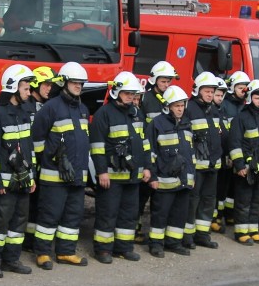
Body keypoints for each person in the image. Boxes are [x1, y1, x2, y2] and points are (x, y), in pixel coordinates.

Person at [31, 61, 91, 269]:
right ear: (64, 83)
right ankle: (43, 253)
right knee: (49, 215)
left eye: (81, 83)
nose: (78, 86)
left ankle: (66, 252)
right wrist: (52, 157)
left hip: (77, 175)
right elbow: (37, 140)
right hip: (53, 176)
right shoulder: (50, 108)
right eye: (75, 82)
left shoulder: (83, 108)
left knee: (72, 216)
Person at [0, 64, 36, 278]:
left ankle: (11, 259)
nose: (29, 93)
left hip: (22, 180)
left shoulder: (24, 114)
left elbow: (28, 149)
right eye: (25, 88)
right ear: (13, 88)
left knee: (19, 221)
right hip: (4, 182)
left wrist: (31, 177)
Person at [90, 71, 150, 263]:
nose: (131, 97)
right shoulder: (103, 114)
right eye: (127, 94)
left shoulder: (137, 113)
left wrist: (147, 167)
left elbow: (144, 143)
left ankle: (124, 247)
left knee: (129, 214)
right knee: (108, 213)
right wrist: (101, 172)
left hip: (133, 175)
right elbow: (97, 147)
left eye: (133, 94)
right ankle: (103, 250)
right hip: (112, 175)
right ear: (116, 92)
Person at [145, 85, 195, 258]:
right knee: (160, 214)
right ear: (168, 106)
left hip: (183, 180)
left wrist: (191, 176)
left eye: (182, 105)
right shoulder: (156, 124)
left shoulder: (187, 124)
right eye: (176, 106)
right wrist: (152, 176)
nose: (180, 109)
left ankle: (174, 242)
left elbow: (190, 153)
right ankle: (156, 244)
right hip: (163, 180)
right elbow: (149, 152)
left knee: (179, 214)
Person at [227, 79, 259, 245]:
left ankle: (253, 230)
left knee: (257, 201)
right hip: (246, 167)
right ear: (250, 97)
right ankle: (241, 232)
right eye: (257, 98)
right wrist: (239, 165)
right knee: (244, 201)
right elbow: (234, 143)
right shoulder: (241, 117)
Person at [184, 71, 223, 250]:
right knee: (192, 201)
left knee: (208, 201)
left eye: (212, 92)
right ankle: (187, 236)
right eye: (207, 91)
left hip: (212, 165)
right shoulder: (189, 108)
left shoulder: (214, 109)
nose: (210, 94)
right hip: (196, 166)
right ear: (198, 91)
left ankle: (202, 235)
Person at [23, 66, 58, 252]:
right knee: (26, 204)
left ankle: (32, 240)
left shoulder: (48, 106)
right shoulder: (25, 106)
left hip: (44, 162)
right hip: (27, 162)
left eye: (50, 85)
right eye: (45, 84)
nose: (49, 89)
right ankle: (25, 241)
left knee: (39, 204)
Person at [210, 77, 233, 232]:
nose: (219, 98)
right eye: (217, 95)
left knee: (221, 190)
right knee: (212, 190)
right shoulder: (209, 112)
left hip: (224, 158)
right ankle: (212, 217)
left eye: (221, 95)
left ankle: (217, 216)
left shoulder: (222, 112)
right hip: (212, 159)